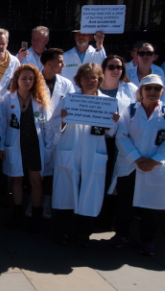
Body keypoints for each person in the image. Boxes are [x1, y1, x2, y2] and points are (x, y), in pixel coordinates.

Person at [50, 63, 119, 247]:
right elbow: (53, 124)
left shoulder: (107, 103)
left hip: (93, 153)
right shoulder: (69, 99)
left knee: (90, 193)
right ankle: (61, 231)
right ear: (79, 80)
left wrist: (113, 122)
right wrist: (63, 118)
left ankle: (83, 233)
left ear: (99, 79)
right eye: (86, 78)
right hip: (70, 149)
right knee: (65, 191)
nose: (90, 81)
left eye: (94, 77)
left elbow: (111, 133)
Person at [109, 75, 165, 255]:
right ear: (140, 91)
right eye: (148, 88)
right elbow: (121, 136)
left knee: (151, 207)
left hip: (154, 167)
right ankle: (121, 234)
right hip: (131, 166)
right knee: (125, 203)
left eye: (157, 89)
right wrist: (136, 158)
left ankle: (147, 240)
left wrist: (155, 160)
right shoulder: (131, 110)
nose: (152, 92)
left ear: (161, 92)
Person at [0, 64, 53, 232]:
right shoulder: (8, 99)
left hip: (34, 146)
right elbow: (2, 124)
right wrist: (1, 145)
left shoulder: (40, 99)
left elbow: (47, 126)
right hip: (15, 145)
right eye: (24, 78)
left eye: (31, 78)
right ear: (17, 80)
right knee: (16, 179)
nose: (27, 81)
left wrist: (49, 147)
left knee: (36, 181)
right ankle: (18, 213)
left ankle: (36, 215)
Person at [27, 48, 75, 220]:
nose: (63, 64)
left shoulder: (66, 84)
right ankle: (32, 202)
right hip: (36, 131)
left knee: (51, 172)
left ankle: (46, 203)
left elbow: (72, 107)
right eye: (60, 61)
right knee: (33, 171)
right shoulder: (32, 81)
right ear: (49, 63)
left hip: (57, 134)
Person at [97, 55, 138, 230]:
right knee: (97, 178)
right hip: (97, 140)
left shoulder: (130, 89)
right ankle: (94, 216)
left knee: (114, 180)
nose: (115, 70)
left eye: (119, 67)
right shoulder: (94, 87)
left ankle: (107, 218)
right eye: (111, 66)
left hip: (118, 143)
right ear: (103, 69)